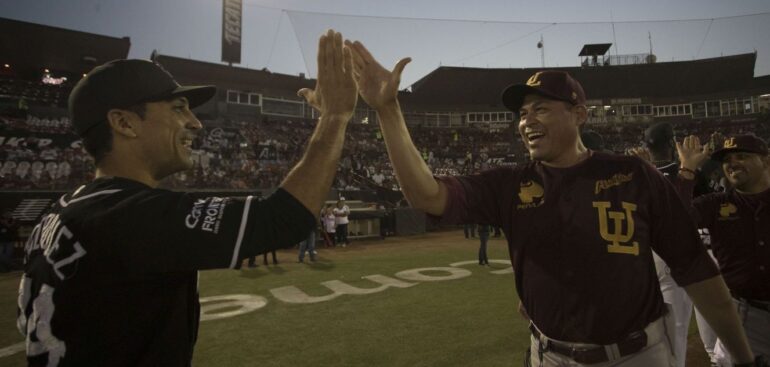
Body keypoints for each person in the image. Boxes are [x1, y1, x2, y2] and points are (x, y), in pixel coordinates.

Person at [345, 39, 757, 366]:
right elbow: (426, 195)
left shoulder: (634, 176)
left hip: (638, 355)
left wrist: (743, 359)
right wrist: (387, 110)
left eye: (541, 108)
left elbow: (696, 270)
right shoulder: (508, 183)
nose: (526, 121)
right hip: (550, 356)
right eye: (522, 113)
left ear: (579, 114)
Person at [17, 29, 358, 366]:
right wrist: (335, 116)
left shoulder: (58, 213)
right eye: (178, 108)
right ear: (124, 123)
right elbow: (284, 219)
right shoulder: (129, 216)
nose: (195, 123)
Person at [676, 133, 770, 366]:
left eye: (742, 156)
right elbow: (674, 220)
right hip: (746, 316)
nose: (732, 163)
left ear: (766, 161)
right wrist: (687, 169)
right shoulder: (715, 204)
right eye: (726, 160)